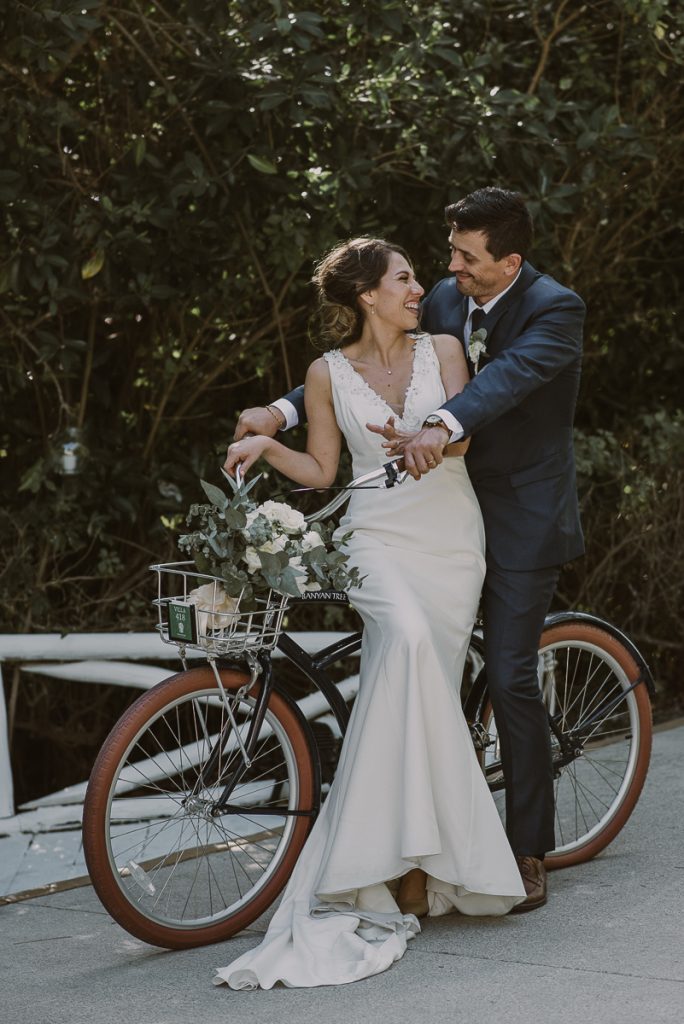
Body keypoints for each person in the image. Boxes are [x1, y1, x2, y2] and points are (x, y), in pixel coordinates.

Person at [235, 189, 586, 913]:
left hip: (511, 512)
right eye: (450, 251)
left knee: (514, 676)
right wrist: (280, 412)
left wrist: (440, 426)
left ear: (508, 262)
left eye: (466, 256)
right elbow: (361, 369)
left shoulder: (556, 310)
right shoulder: (449, 301)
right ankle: (415, 849)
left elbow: (503, 383)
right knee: (423, 661)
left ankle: (524, 850)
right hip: (410, 512)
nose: (447, 268)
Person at [215, 237, 525, 990]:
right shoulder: (326, 374)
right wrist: (264, 446)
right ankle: (386, 862)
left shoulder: (445, 348)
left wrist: (428, 439)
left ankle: (414, 866)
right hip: (375, 538)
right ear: (366, 296)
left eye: (418, 276)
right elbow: (323, 471)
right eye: (405, 278)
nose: (421, 286)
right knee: (407, 644)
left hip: (450, 537)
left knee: (426, 676)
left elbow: (465, 434)